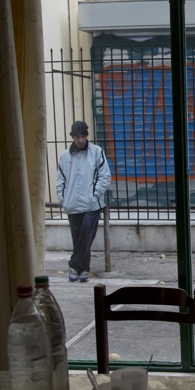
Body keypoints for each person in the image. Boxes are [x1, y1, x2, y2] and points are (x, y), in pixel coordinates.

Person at [56, 121, 111, 283]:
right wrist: (63, 198)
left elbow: (105, 175)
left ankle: (74, 264)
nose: (80, 140)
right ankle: (83, 269)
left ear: (87, 136)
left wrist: (95, 194)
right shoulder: (65, 156)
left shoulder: (96, 152)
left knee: (87, 233)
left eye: (83, 136)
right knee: (78, 237)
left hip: (92, 203)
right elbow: (60, 179)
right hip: (72, 204)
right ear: (72, 137)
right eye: (77, 137)